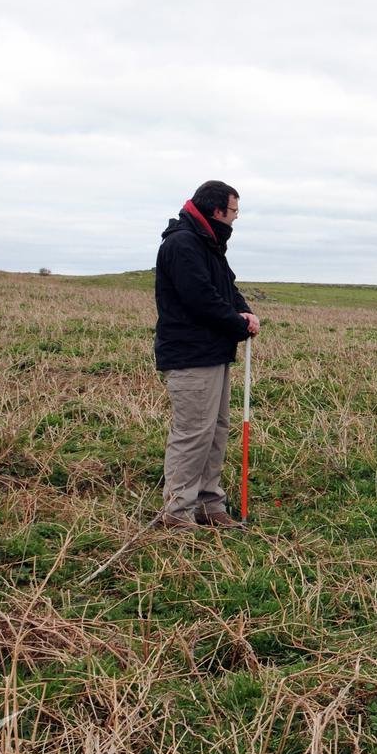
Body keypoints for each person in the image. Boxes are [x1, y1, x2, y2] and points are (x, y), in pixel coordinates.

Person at [154, 181, 259, 528]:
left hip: (214, 353)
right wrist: (237, 325)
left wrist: (244, 312)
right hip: (191, 356)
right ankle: (177, 512)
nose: (234, 219)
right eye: (233, 212)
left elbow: (226, 289)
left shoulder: (209, 244)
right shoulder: (183, 244)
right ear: (217, 211)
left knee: (215, 430)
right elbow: (200, 299)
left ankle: (209, 505)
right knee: (193, 433)